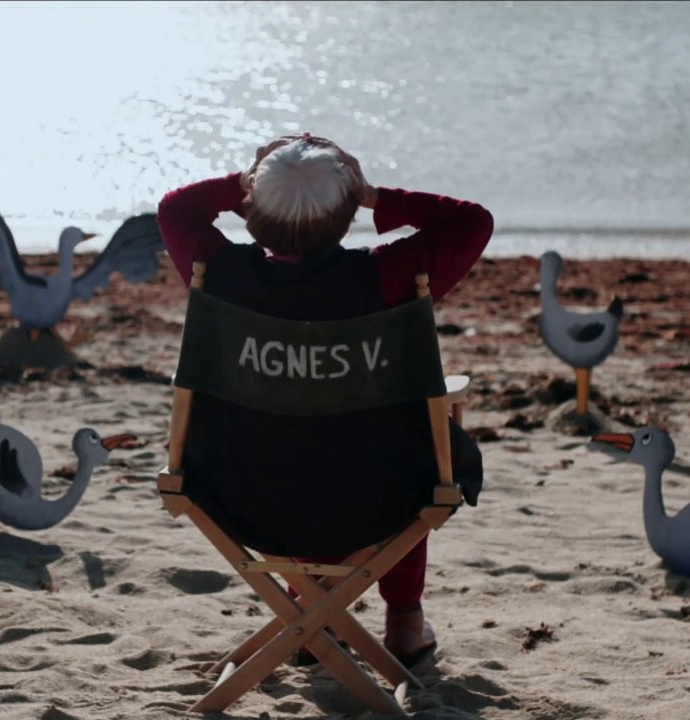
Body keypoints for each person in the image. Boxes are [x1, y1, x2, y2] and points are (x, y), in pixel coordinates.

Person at [157, 133, 492, 666]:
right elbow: (473, 222)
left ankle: (311, 608)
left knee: (309, 445)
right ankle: (404, 621)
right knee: (407, 447)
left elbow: (175, 208)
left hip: (238, 490)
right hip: (372, 494)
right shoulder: (388, 276)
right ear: (345, 214)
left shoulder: (219, 273)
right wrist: (374, 194)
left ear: (252, 212)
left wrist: (242, 181)